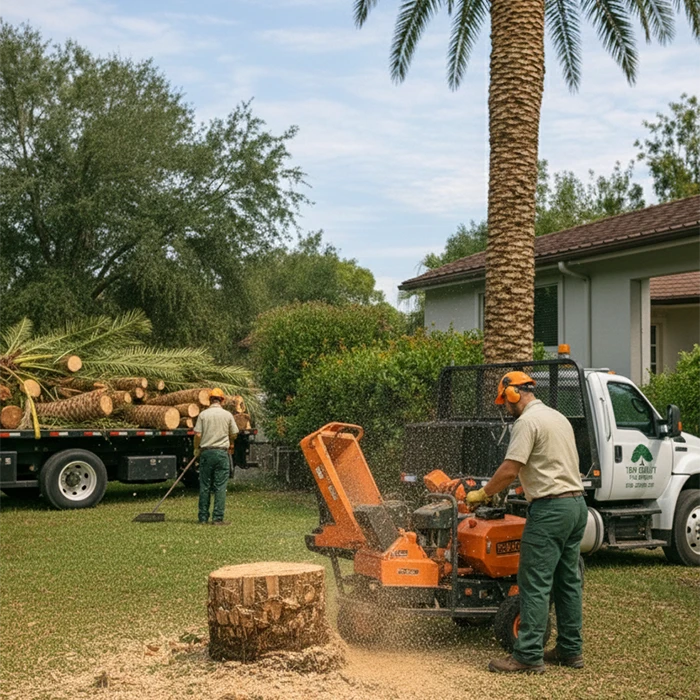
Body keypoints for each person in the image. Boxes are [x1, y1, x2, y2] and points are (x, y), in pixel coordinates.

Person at [466, 371, 587, 674]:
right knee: (567, 581)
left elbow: (510, 468)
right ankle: (571, 650)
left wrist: (482, 493)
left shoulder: (526, 422)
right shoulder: (557, 418)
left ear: (514, 394)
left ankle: (528, 654)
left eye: (504, 401)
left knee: (533, 582)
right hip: (575, 506)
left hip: (550, 511)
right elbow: (549, 464)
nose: (505, 408)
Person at [193, 388, 239, 525]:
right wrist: (231, 443)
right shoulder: (227, 415)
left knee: (205, 485)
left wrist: (196, 449)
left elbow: (197, 435)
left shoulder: (203, 415)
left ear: (210, 400)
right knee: (220, 486)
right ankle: (217, 518)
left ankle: (202, 518)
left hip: (206, 452)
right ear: (222, 400)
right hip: (221, 453)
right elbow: (234, 433)